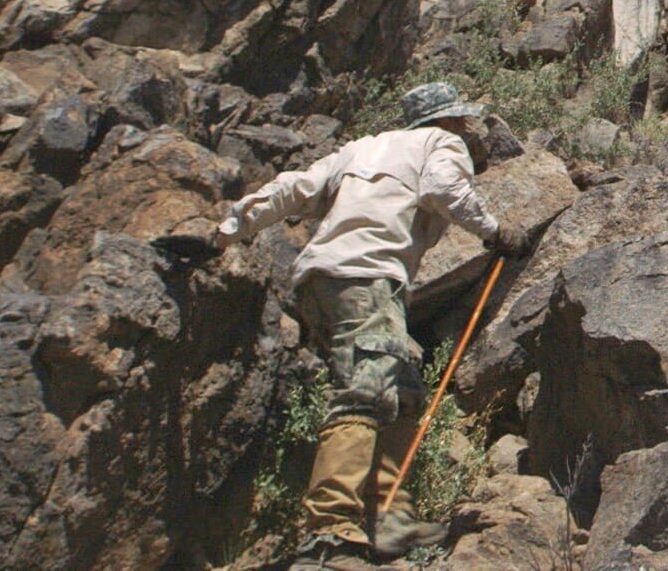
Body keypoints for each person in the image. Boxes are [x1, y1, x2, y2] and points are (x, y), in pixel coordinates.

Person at [210, 81, 534, 569]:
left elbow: (292, 188)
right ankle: (331, 532)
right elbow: (445, 189)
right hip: (367, 277)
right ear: (446, 120)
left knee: (403, 390)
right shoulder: (439, 143)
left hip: (321, 282)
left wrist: (229, 228)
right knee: (366, 393)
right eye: (465, 121)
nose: (471, 129)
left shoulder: (358, 149)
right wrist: (495, 231)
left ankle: (391, 519)